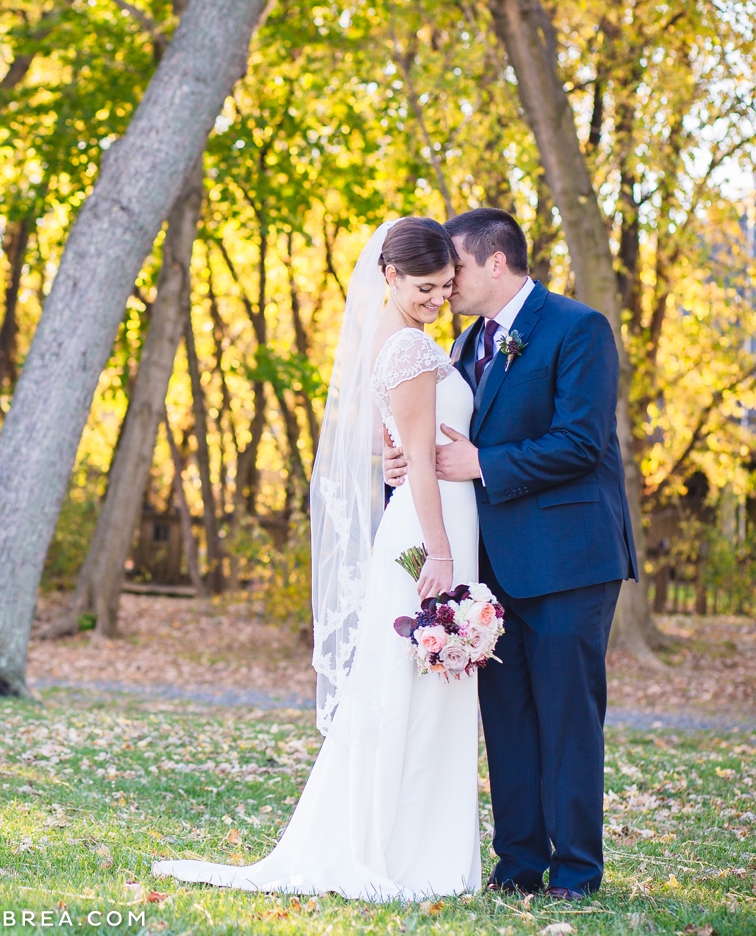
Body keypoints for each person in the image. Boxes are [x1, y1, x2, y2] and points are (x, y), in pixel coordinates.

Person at [152, 217, 482, 899]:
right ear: (388, 277)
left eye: (447, 287)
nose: (437, 299)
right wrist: (442, 553)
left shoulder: (394, 340)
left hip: (427, 518)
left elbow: (388, 442)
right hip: (431, 530)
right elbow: (417, 457)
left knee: (416, 684)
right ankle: (397, 850)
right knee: (409, 686)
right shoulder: (411, 350)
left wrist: (399, 455)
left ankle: (408, 843)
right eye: (424, 286)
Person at [384, 207, 636, 899]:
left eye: (456, 267)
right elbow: (439, 431)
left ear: (495, 262)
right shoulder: (467, 342)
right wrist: (409, 462)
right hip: (491, 570)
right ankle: (519, 865)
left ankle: (577, 872)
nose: (447, 280)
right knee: (508, 724)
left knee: (567, 719)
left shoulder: (577, 328)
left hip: (568, 562)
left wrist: (478, 463)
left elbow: (582, 442)